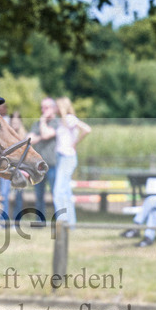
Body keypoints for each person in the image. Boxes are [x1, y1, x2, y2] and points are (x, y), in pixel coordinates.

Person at [51, 97, 91, 226]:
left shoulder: (69, 118)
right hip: (62, 157)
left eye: (57, 106)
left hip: (67, 157)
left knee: (58, 192)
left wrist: (75, 143)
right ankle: (70, 223)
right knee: (66, 192)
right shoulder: (61, 121)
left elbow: (87, 129)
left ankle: (62, 222)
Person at [28, 97, 58, 221]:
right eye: (42, 107)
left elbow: (46, 134)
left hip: (53, 165)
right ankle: (40, 220)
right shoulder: (37, 124)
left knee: (56, 194)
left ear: (53, 108)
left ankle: (59, 220)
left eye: (46, 107)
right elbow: (29, 139)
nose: (43, 110)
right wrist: (42, 133)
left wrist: (42, 123)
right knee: (39, 195)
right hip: (39, 166)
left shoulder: (57, 123)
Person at [0, 111, 27, 222]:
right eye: (13, 121)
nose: (15, 124)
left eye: (17, 121)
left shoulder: (24, 137)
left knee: (18, 196)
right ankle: (3, 219)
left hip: (19, 170)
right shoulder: (5, 136)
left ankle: (16, 220)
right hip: (7, 169)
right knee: (4, 194)